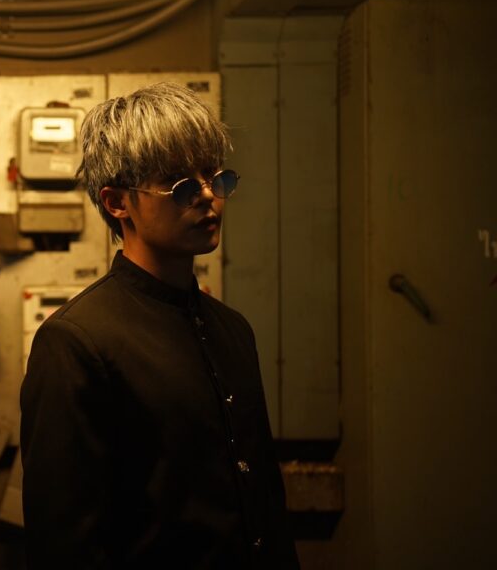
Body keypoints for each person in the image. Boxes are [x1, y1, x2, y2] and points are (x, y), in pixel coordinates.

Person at [20, 83, 299, 569]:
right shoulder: (76, 343)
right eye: (180, 185)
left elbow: (264, 508)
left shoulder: (232, 330)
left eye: (215, 177)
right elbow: (64, 544)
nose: (208, 197)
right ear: (117, 203)